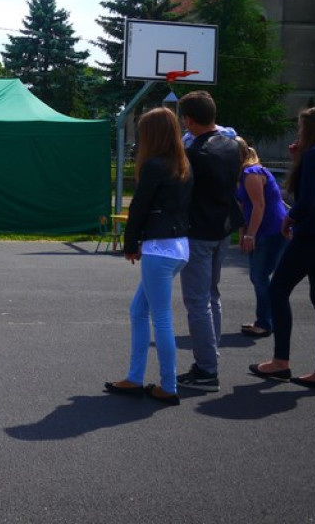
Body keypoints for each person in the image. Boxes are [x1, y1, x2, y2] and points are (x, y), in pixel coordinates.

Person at [104, 107, 193, 407]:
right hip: (179, 245)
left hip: (160, 248)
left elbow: (139, 207)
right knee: (138, 311)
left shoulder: (155, 166)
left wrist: (131, 243)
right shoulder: (182, 164)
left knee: (161, 317)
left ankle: (168, 385)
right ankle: (134, 377)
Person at [250, 107, 315, 389]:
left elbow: (307, 201)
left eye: (300, 128)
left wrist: (289, 219)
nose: (298, 133)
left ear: (310, 129)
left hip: (311, 235)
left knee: (277, 289)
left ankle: (280, 361)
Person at [176, 91, 242, 393]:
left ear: (189, 119)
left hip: (199, 231)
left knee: (197, 301)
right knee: (211, 294)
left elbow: (181, 191)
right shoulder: (232, 144)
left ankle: (206, 369)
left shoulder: (195, 153)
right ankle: (209, 357)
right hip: (222, 229)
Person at [235, 138, 288, 338]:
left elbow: (259, 206)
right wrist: (243, 233)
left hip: (271, 230)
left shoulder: (251, 173)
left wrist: (251, 234)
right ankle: (266, 319)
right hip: (261, 230)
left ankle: (266, 322)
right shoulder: (243, 174)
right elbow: (243, 207)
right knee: (258, 276)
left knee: (260, 276)